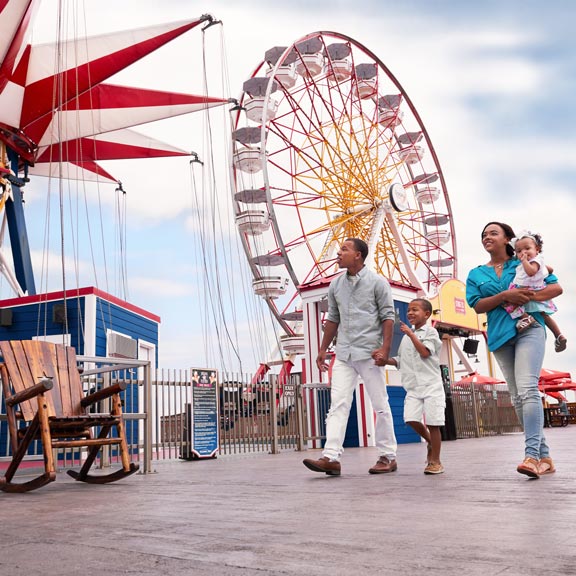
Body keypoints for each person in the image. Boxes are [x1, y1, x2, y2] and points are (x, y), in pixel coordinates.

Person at [466, 222, 563, 478]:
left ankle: (531, 456)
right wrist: (504, 297)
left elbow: (554, 287)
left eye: (493, 233)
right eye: (483, 234)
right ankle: (544, 456)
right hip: (499, 336)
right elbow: (477, 305)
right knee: (517, 395)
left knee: (528, 388)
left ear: (508, 238)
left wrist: (530, 296)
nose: (487, 237)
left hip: (529, 329)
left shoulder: (524, 262)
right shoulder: (475, 274)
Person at [302, 237, 398, 476]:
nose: (338, 252)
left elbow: (388, 317)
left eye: (344, 249)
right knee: (338, 405)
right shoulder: (335, 285)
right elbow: (333, 318)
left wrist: (385, 350)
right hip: (344, 353)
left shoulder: (378, 283)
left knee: (381, 405)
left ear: (358, 255)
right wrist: (323, 349)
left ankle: (387, 455)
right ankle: (331, 457)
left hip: (370, 353)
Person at [381, 298, 446, 475]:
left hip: (431, 385)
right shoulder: (405, 338)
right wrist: (385, 360)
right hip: (413, 387)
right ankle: (430, 442)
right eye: (409, 310)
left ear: (426, 314)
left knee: (434, 424)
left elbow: (425, 352)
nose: (410, 313)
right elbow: (400, 360)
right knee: (410, 418)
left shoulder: (431, 332)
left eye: (415, 310)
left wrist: (411, 334)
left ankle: (436, 461)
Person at [504, 230, 567, 352]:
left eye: (527, 248)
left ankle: (525, 318)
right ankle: (559, 335)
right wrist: (547, 270)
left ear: (537, 249)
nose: (524, 252)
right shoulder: (539, 262)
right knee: (545, 315)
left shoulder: (532, 262)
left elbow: (531, 272)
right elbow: (549, 268)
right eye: (519, 251)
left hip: (526, 288)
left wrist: (524, 262)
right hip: (536, 289)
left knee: (508, 301)